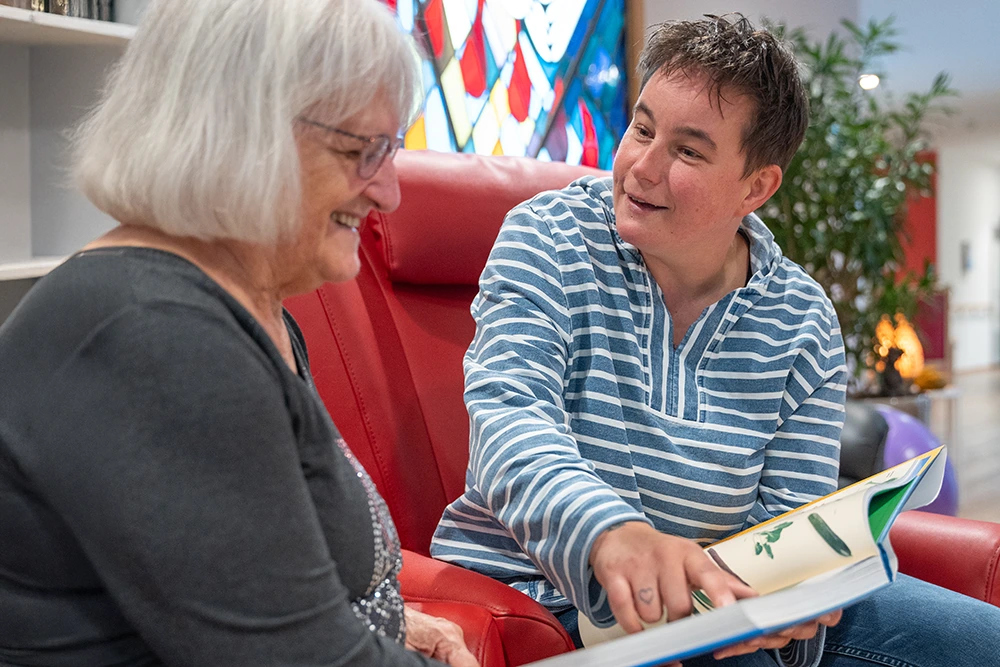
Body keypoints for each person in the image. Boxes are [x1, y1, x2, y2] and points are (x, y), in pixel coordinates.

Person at [430, 13, 1000, 667]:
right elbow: (511, 424)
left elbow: (792, 516)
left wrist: (790, 593)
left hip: (716, 603)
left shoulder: (802, 319)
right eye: (642, 128)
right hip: (550, 594)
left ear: (756, 186)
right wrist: (617, 538)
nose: (642, 166)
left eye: (688, 151)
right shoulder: (547, 236)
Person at [0, 1, 478, 665]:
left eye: (390, 150)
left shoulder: (252, 306)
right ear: (236, 133)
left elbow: (262, 590)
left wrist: (395, 622)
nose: (390, 192)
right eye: (359, 151)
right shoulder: (157, 336)